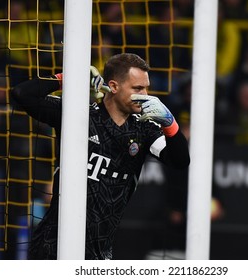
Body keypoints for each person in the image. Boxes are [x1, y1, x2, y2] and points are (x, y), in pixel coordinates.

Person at [11, 53, 190, 260]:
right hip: (52, 247)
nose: (146, 95)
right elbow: (21, 94)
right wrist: (69, 77)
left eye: (146, 87)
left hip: (99, 254)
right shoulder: (77, 114)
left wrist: (169, 122)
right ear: (113, 87)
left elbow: (180, 161)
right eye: (138, 89)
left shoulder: (145, 129)